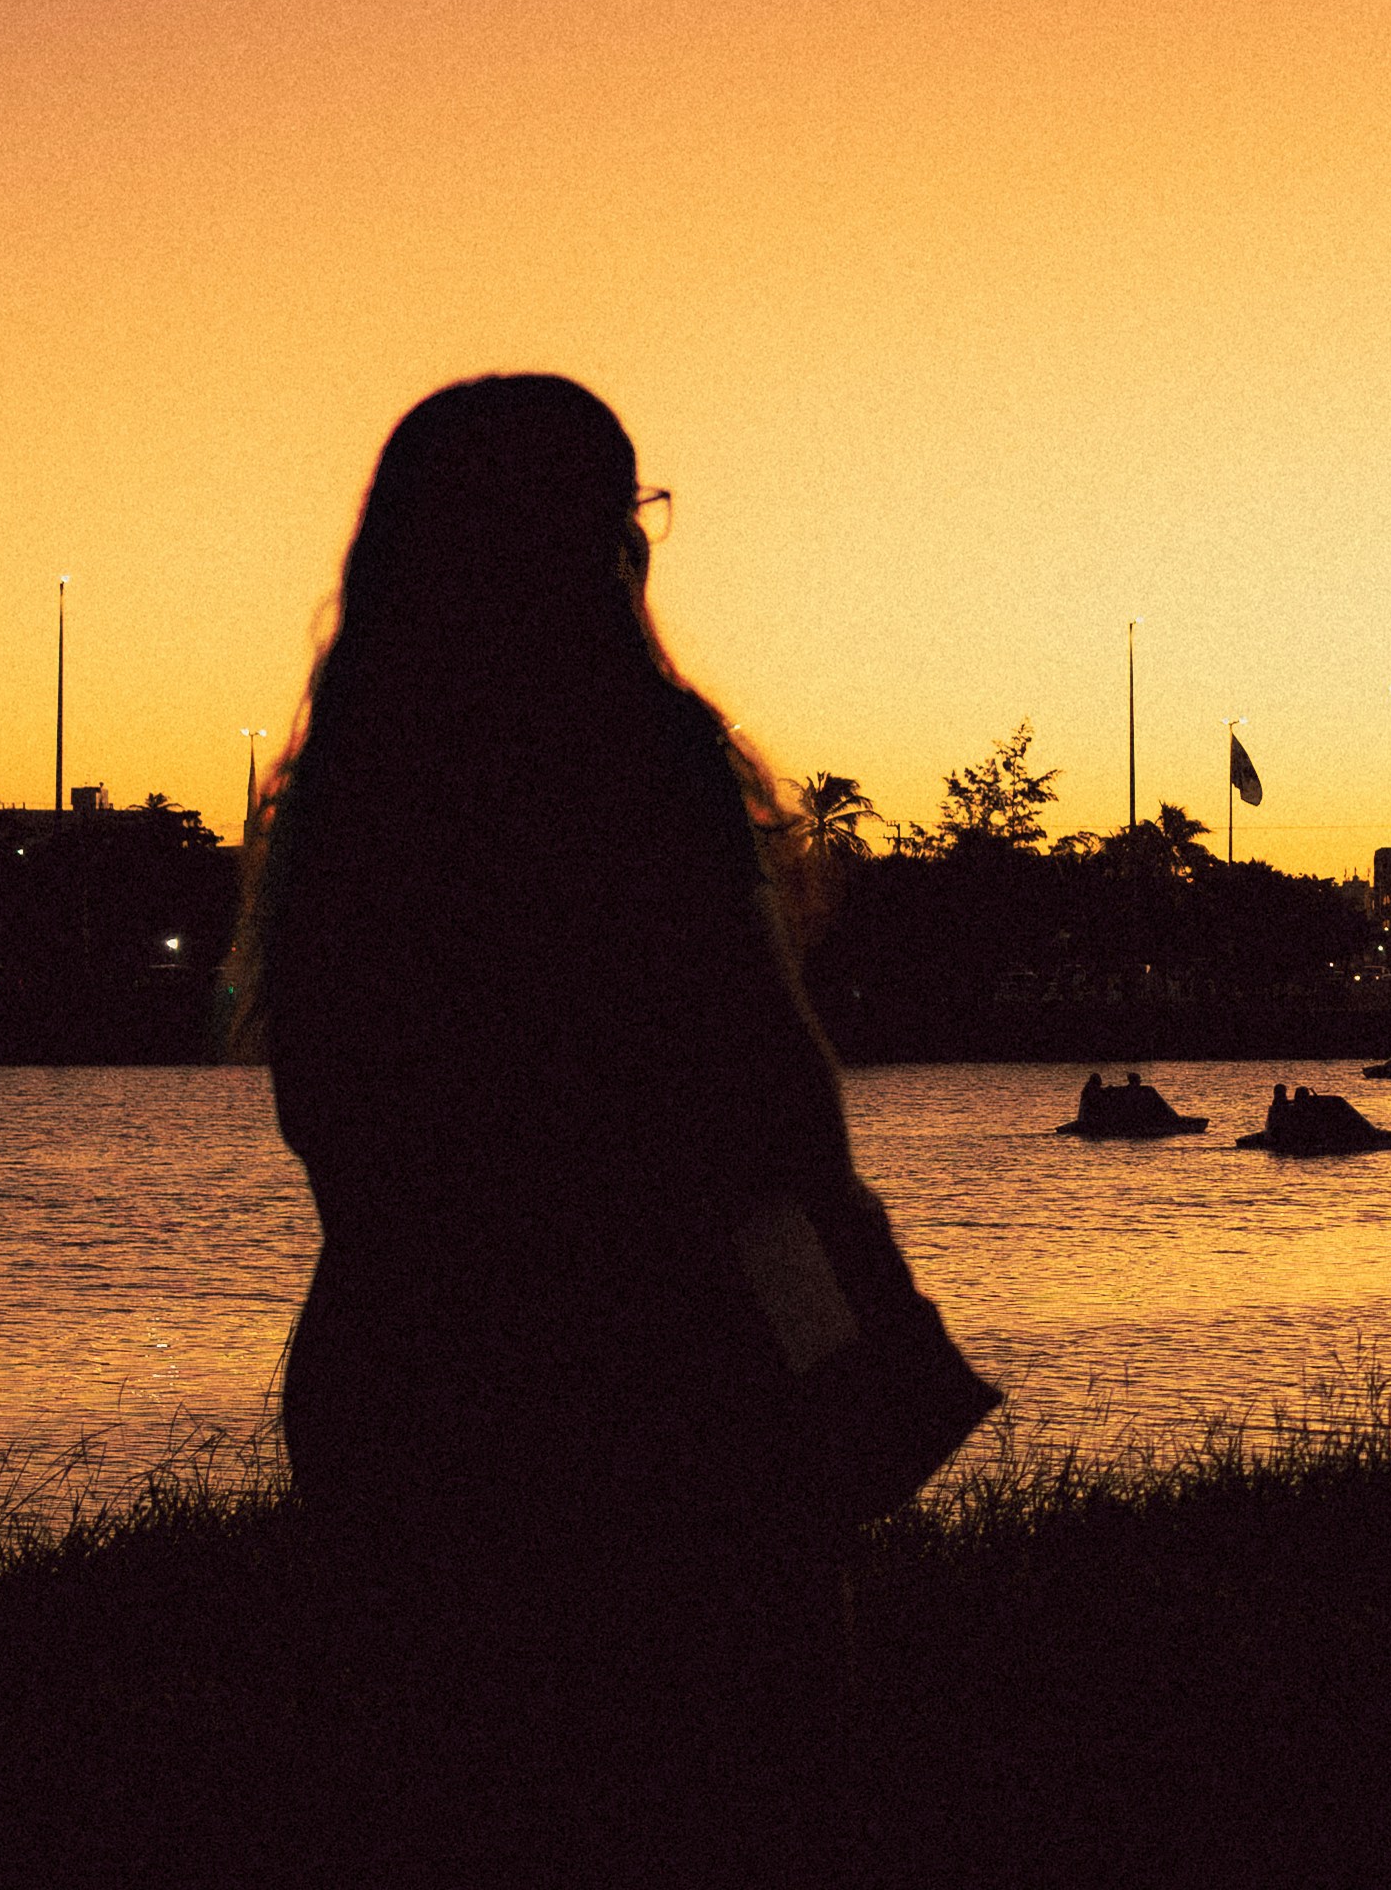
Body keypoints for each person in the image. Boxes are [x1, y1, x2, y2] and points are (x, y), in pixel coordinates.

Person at [235, 374, 983, 1881]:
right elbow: (765, 1100)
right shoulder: (634, 765)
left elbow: (329, 1115)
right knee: (714, 1798)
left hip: (395, 1376)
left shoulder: (338, 811)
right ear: (597, 540)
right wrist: (864, 1337)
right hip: (654, 1383)